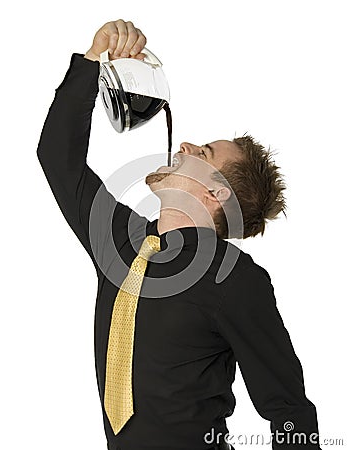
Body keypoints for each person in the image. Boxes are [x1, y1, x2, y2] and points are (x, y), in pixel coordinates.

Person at [37, 19, 322, 450]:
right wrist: (94, 62)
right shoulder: (122, 242)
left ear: (216, 192)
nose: (185, 145)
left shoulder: (235, 278)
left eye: (204, 152)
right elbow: (58, 157)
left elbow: (288, 409)